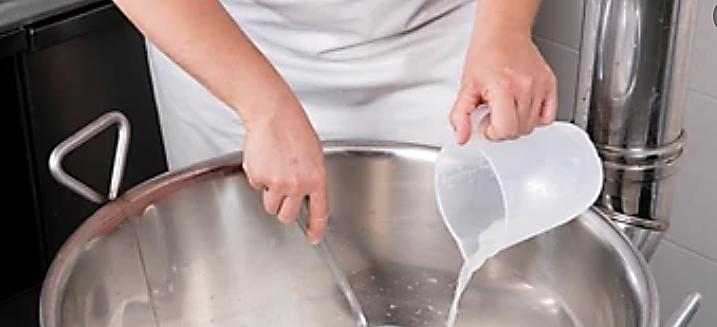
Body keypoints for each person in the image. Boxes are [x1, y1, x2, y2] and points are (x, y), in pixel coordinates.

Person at [112, 0, 556, 245]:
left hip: (440, 34)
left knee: (465, 264)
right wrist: (261, 104)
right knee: (259, 274)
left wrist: (506, 31)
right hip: (232, 38)